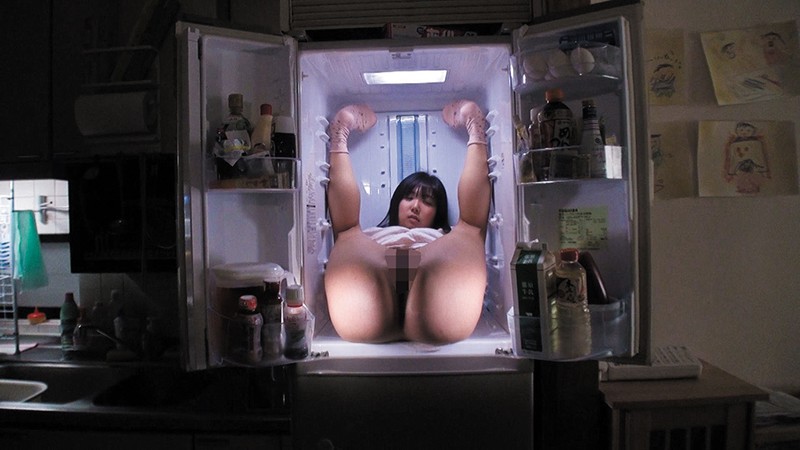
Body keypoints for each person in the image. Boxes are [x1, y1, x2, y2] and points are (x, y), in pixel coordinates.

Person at [324, 100, 491, 345]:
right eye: (409, 197)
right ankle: (340, 132)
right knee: (347, 230)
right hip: (375, 266)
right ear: (396, 202)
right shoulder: (370, 236)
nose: (415, 206)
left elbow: (473, 221)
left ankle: (475, 126)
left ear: (438, 212)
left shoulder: (445, 236)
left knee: (470, 228)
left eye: (427, 201)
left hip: (432, 264)